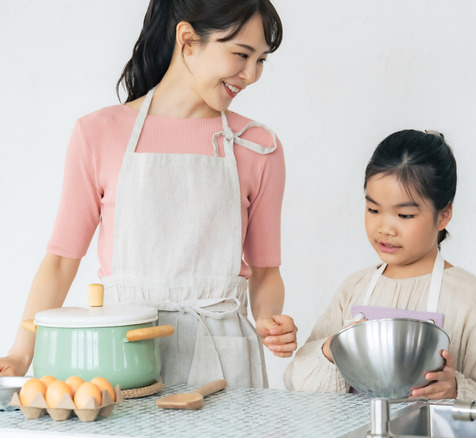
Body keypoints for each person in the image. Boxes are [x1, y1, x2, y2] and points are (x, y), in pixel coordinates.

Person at [0, 0, 297, 388]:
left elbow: (265, 272)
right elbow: (60, 262)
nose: (251, 74)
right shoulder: (99, 133)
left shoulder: (258, 146)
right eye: (241, 54)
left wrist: (269, 319)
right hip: (123, 352)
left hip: (224, 360)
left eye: (261, 60)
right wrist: (21, 354)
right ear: (188, 39)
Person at [284, 130, 476, 401]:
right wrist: (332, 350)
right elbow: (296, 382)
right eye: (373, 210)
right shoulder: (354, 288)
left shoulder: (473, 299)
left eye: (404, 214)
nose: (385, 228)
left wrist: (454, 390)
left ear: (444, 215)